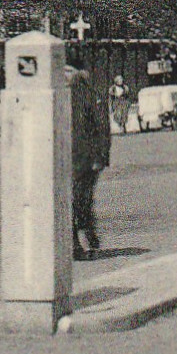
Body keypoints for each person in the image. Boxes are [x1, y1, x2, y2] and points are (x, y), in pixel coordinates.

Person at [68, 67, 111, 260]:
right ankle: (85, 241)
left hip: (68, 157)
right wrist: (101, 157)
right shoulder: (94, 96)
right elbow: (103, 130)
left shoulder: (61, 98)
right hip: (86, 158)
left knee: (74, 199)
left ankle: (80, 242)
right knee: (83, 199)